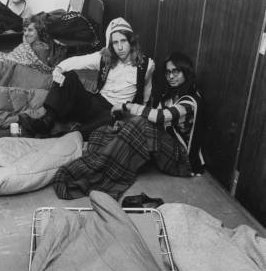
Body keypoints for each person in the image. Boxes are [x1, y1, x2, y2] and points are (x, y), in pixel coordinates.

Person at [52, 51, 202, 199]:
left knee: (141, 124)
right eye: (168, 72)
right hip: (162, 148)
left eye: (176, 72)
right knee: (104, 131)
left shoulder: (190, 101)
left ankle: (98, 170)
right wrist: (123, 124)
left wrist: (127, 106)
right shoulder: (169, 97)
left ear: (186, 72)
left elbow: (160, 117)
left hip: (181, 161)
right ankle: (98, 165)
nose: (171, 76)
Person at [19, 17, 155, 137]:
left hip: (117, 111)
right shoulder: (105, 57)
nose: (120, 47)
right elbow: (77, 61)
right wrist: (58, 69)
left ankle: (64, 135)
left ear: (131, 41)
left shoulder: (147, 64)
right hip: (96, 103)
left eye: (123, 41)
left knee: (104, 122)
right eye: (115, 43)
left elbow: (147, 88)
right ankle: (46, 122)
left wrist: (141, 111)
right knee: (69, 76)